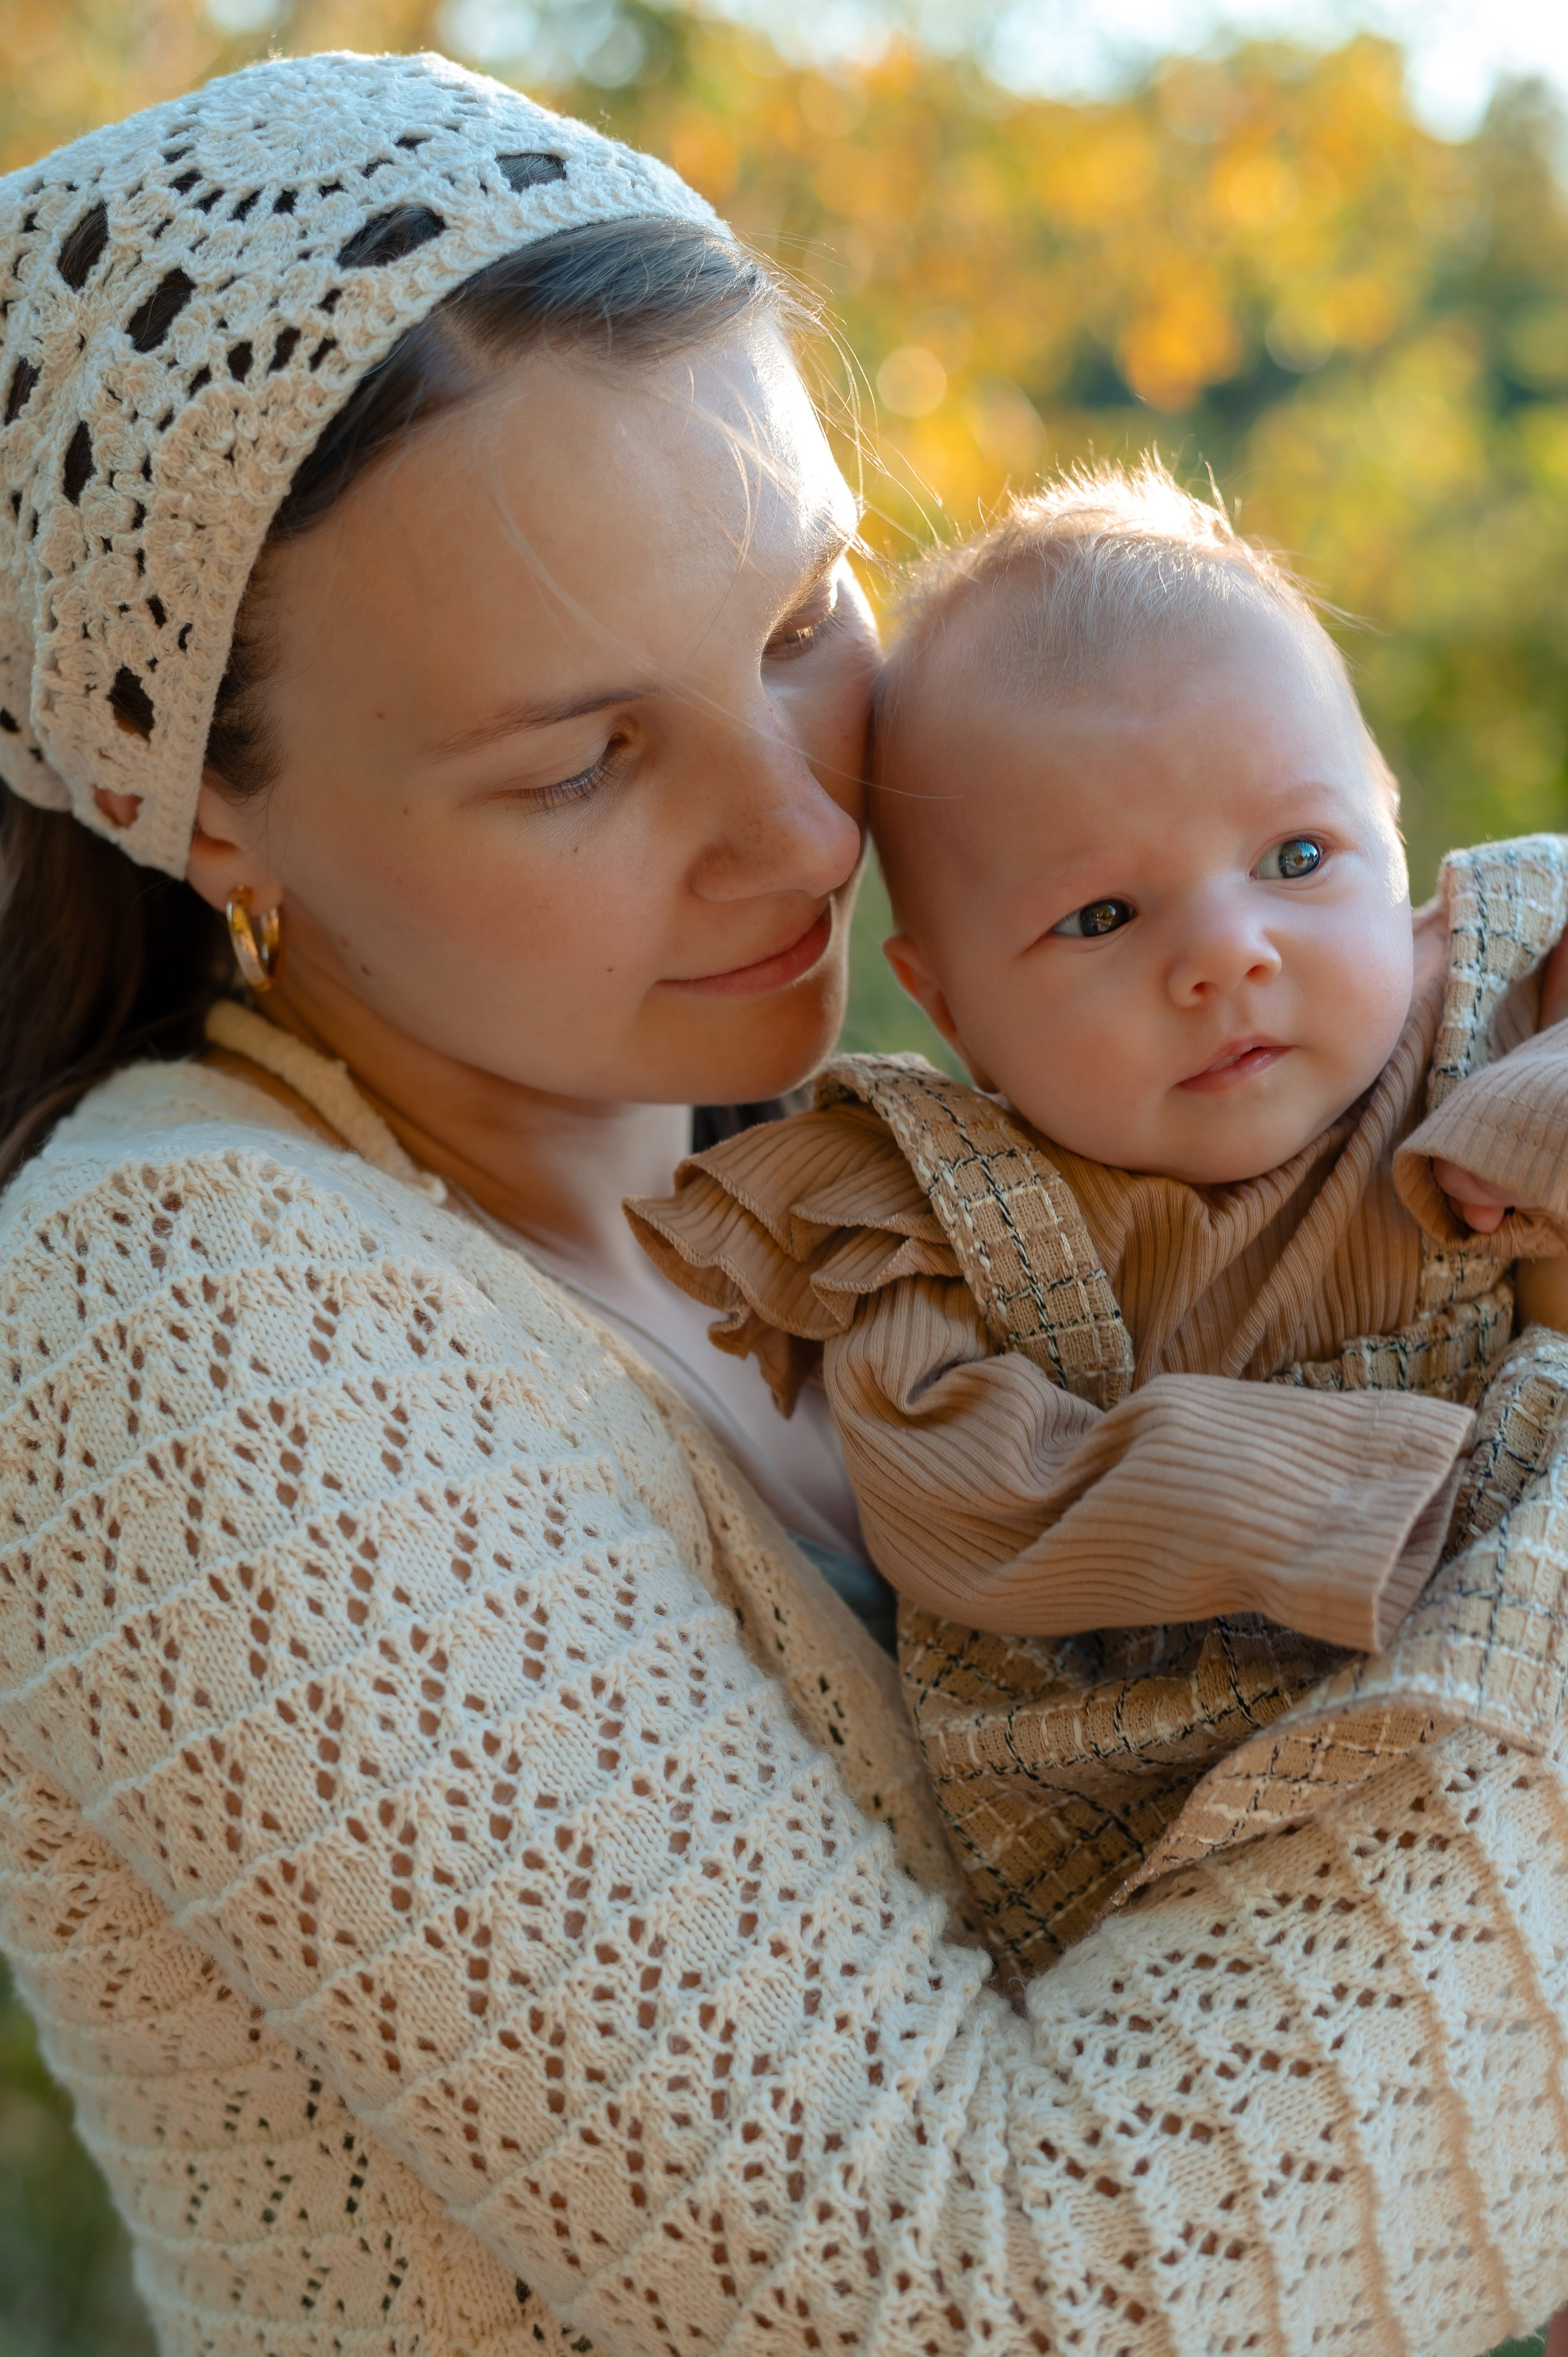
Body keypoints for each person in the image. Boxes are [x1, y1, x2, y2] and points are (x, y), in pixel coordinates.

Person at [0, 54, 1564, 2357]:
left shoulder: (855, 1185)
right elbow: (982, 2295)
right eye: (581, 760)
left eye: (807, 610)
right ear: (211, 823)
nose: (808, 832)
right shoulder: (183, 1314)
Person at [631, 461, 1568, 1661]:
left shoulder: (1499, 977)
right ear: (948, 1005)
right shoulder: (947, 1233)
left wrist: (1532, 1107)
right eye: (1100, 918)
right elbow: (963, 1500)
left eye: (1293, 856)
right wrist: (1345, 1500)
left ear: (1388, 825)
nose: (1227, 956)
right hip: (1205, 1766)